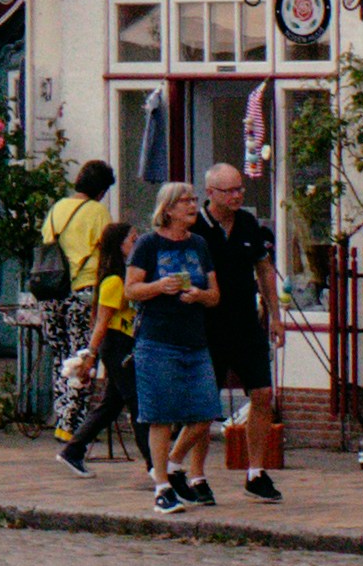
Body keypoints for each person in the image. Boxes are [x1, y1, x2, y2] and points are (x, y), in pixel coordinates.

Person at [123, 185, 225, 515]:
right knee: (161, 415)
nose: (194, 206)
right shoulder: (148, 244)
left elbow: (215, 295)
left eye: (195, 200)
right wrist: (158, 286)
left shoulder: (199, 245)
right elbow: (131, 290)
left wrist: (198, 295)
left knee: (206, 411)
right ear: (168, 209)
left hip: (194, 340)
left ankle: (171, 462)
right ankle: (162, 488)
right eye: (186, 201)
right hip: (157, 340)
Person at [197, 159, 285, 504]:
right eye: (229, 190)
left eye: (240, 189)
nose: (237, 195)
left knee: (263, 393)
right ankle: (197, 475)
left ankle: (256, 472)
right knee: (204, 405)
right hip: (208, 326)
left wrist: (276, 316)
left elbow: (264, 270)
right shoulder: (195, 228)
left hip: (246, 322)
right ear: (210, 193)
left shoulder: (247, 223)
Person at [38, 159, 118, 461]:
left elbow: (47, 241)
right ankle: (72, 425)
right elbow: (107, 249)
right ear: (102, 189)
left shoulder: (57, 208)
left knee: (60, 356)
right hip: (84, 291)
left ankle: (61, 418)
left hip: (52, 291)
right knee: (82, 356)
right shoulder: (97, 212)